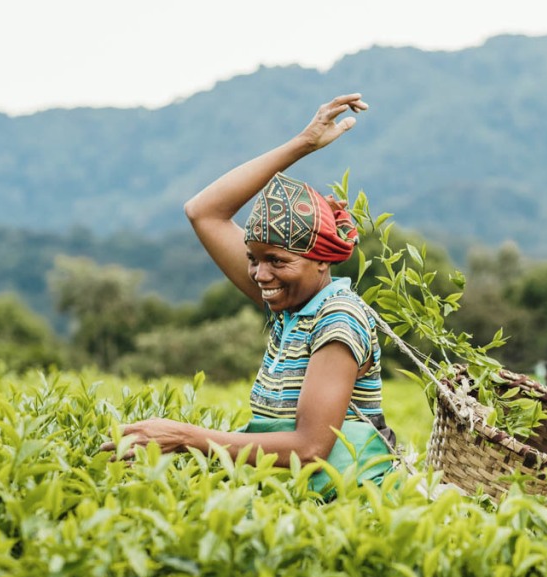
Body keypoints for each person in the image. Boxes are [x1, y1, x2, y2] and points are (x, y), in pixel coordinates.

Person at [101, 93, 395, 492]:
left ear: (321, 260)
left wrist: (186, 437)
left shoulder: (337, 319)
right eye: (253, 259)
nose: (260, 275)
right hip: (291, 493)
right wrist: (303, 143)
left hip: (348, 498)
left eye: (276, 260)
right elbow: (203, 211)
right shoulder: (291, 306)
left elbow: (311, 449)